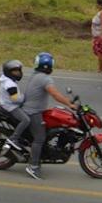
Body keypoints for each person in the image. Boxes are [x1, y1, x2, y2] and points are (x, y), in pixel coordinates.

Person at [20, 52, 77, 180]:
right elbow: (55, 94)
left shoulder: (36, 75)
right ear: (49, 65)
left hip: (34, 110)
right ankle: (33, 167)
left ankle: (40, 156)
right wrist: (70, 104)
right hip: (33, 112)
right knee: (40, 138)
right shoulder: (45, 79)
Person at [0, 60, 30, 157]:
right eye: (15, 71)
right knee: (26, 120)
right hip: (11, 107)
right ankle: (13, 139)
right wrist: (25, 97)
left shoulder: (7, 80)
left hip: (8, 104)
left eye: (19, 70)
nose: (18, 73)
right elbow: (15, 99)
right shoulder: (9, 84)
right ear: (9, 72)